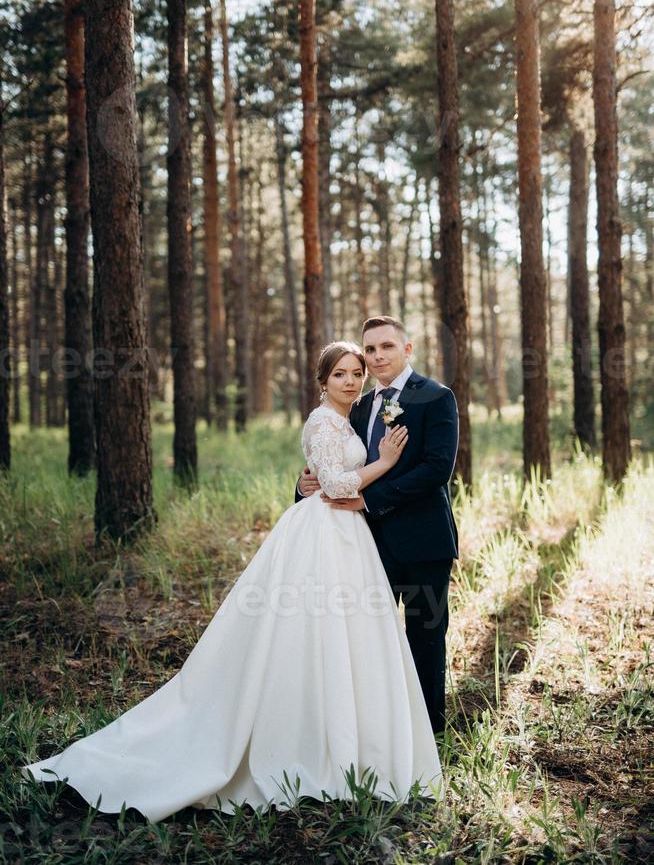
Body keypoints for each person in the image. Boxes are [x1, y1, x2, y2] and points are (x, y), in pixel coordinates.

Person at [21, 341, 442, 824]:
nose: (350, 381)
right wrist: (383, 463)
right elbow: (334, 484)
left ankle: (345, 737)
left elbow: (329, 477)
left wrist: (334, 476)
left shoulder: (350, 418)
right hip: (322, 533)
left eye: (356, 373)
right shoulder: (322, 421)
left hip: (347, 536)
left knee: (344, 636)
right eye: (340, 374)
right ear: (321, 381)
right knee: (305, 632)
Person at [297, 317, 459, 735]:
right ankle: (380, 729)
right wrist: (302, 485)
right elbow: (335, 463)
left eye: (387, 346)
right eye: (370, 349)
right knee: (368, 638)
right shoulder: (362, 405)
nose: (377, 355)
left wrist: (370, 499)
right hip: (366, 544)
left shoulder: (436, 397)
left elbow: (437, 469)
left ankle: (429, 733)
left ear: (407, 350)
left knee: (425, 639)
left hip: (423, 543)